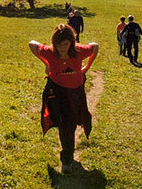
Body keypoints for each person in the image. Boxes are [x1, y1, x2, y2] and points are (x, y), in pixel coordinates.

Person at [29, 24, 99, 173]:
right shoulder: (49, 52)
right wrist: (46, 63)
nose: (62, 48)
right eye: (58, 44)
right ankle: (67, 160)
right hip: (58, 91)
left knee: (80, 120)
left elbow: (95, 46)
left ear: (71, 43)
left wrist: (87, 67)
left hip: (77, 92)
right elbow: (32, 44)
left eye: (65, 44)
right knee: (66, 125)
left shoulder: (79, 51)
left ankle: (68, 153)